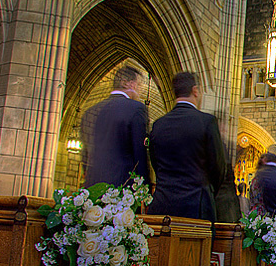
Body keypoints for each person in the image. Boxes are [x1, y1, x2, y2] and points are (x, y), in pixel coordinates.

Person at [148, 72, 226, 221]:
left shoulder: (158, 125)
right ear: (195, 90)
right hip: (196, 207)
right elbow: (218, 167)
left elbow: (155, 162)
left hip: (162, 206)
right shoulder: (206, 122)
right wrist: (207, 192)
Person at [80, 65, 150, 187]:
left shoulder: (90, 112)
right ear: (126, 83)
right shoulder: (136, 108)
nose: (140, 91)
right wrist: (145, 187)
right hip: (121, 189)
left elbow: (85, 155)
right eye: (138, 85)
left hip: (92, 188)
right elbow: (139, 154)